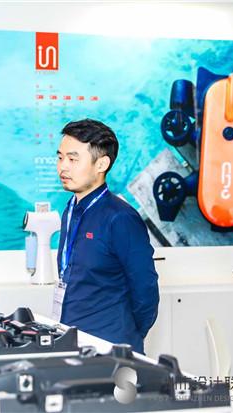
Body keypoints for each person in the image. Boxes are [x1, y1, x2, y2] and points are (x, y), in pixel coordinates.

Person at [54, 119, 159, 354]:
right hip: (72, 340)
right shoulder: (70, 210)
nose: (63, 167)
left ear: (101, 164)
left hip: (110, 347)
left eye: (73, 159)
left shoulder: (120, 218)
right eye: (60, 158)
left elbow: (146, 290)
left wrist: (127, 334)